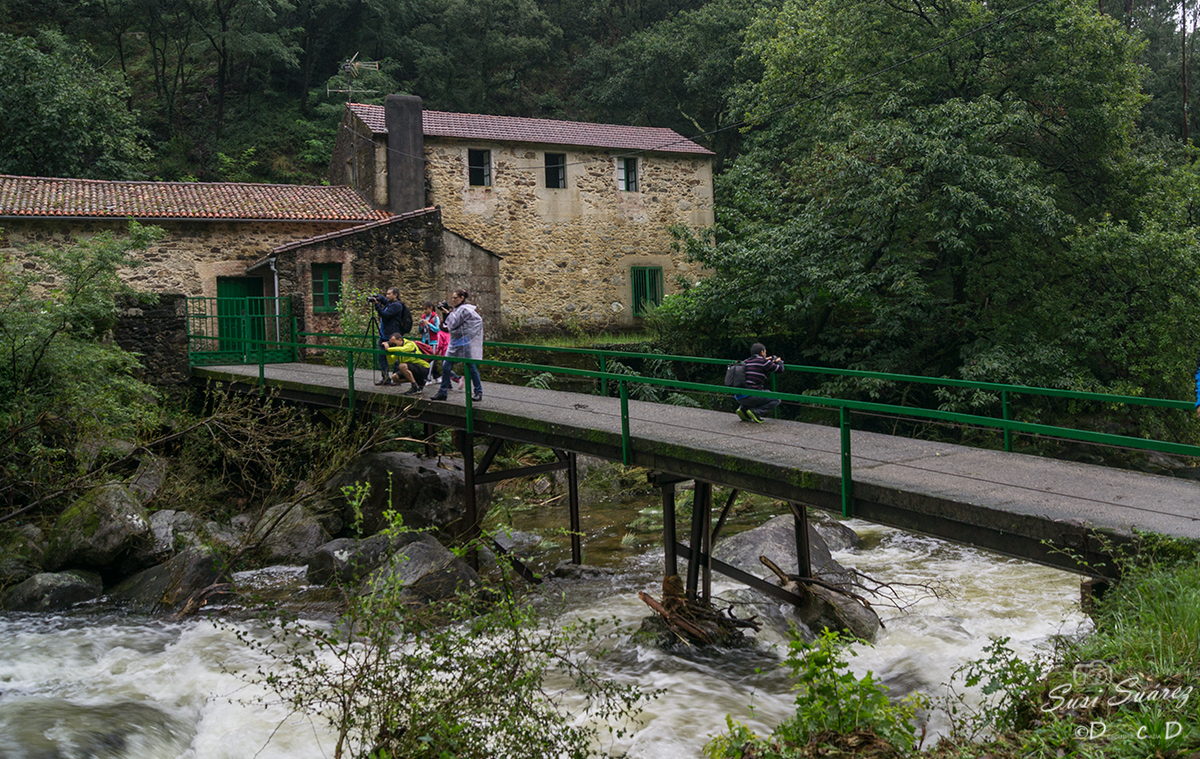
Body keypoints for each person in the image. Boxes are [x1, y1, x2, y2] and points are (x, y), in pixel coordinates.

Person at [431, 289, 483, 402]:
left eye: (455, 298)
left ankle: (478, 391)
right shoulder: (457, 310)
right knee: (446, 366)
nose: (453, 300)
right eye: (452, 298)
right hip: (455, 342)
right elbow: (448, 326)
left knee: (471, 366)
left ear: (462, 298)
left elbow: (454, 323)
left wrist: (447, 314)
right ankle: (442, 392)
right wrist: (446, 314)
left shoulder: (465, 310)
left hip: (464, 341)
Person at [734, 343, 785, 423]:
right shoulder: (763, 362)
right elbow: (780, 369)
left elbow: (757, 364)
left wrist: (767, 360)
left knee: (755, 392)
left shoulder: (746, 361)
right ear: (762, 352)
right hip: (751, 396)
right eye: (765, 352)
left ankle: (743, 409)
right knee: (776, 398)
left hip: (739, 397)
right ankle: (756, 411)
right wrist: (779, 362)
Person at [373, 287, 411, 385]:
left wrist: (377, 305)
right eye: (387, 294)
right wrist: (378, 298)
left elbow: (385, 315)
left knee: (395, 358)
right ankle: (385, 378)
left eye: (389, 294)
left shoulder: (397, 306)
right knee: (381, 356)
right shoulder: (390, 304)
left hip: (393, 336)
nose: (387, 296)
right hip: (384, 335)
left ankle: (395, 378)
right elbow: (384, 300)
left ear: (395, 295)